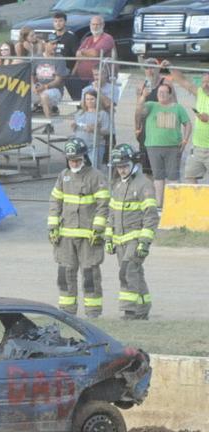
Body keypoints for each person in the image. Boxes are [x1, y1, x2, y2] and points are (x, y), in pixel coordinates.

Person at [48, 138, 109, 317]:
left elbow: (103, 204)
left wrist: (98, 229)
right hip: (65, 236)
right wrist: (52, 227)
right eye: (71, 160)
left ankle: (93, 312)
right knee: (65, 273)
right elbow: (55, 201)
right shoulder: (63, 176)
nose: (74, 163)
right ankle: (66, 313)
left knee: (90, 274)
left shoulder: (96, 176)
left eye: (77, 159)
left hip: (89, 237)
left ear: (84, 158)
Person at [104, 144, 159, 320]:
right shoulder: (118, 185)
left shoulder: (144, 185)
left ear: (133, 163)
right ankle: (143, 309)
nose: (121, 170)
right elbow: (111, 214)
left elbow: (151, 216)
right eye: (119, 167)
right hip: (120, 240)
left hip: (136, 239)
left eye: (124, 166)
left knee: (127, 271)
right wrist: (109, 238)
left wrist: (144, 242)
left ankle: (129, 311)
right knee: (135, 272)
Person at [136, 82, 191, 207]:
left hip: (173, 147)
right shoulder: (151, 105)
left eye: (164, 92)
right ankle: (159, 205)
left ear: (170, 94)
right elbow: (139, 111)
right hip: (153, 146)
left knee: (173, 176)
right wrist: (143, 96)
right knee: (158, 177)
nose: (161, 94)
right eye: (159, 92)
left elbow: (188, 123)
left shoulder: (178, 108)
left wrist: (185, 140)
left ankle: (174, 205)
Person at [169, 66, 209, 183]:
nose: (205, 85)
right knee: (190, 176)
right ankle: (195, 201)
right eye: (204, 82)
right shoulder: (200, 92)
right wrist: (170, 67)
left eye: (208, 82)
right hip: (197, 147)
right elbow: (183, 81)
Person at [32, 39, 68, 134]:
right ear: (45, 44)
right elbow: (31, 75)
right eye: (52, 44)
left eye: (56, 44)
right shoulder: (37, 58)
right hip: (39, 88)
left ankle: (49, 125)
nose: (55, 46)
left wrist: (44, 87)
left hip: (54, 90)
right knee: (21, 94)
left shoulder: (60, 59)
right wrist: (34, 85)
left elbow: (58, 80)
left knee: (44, 96)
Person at [73, 16, 114, 97]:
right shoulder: (88, 39)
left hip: (97, 78)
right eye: (93, 24)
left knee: (91, 99)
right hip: (82, 77)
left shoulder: (107, 38)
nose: (95, 27)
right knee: (70, 83)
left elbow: (95, 53)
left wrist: (83, 52)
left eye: (97, 24)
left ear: (103, 25)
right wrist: (86, 53)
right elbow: (77, 54)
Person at [71, 90, 110, 167]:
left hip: (95, 146)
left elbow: (107, 131)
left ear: (97, 100)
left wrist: (94, 130)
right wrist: (73, 126)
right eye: (87, 99)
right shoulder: (79, 113)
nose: (89, 101)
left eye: (92, 99)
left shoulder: (102, 114)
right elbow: (75, 130)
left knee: (94, 168)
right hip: (80, 147)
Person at [48, 11, 81, 97]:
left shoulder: (71, 37)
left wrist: (74, 72)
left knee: (77, 98)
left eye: (60, 21)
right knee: (50, 95)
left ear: (65, 22)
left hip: (68, 72)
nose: (58, 23)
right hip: (54, 73)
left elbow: (78, 57)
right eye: (55, 21)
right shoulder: (51, 37)